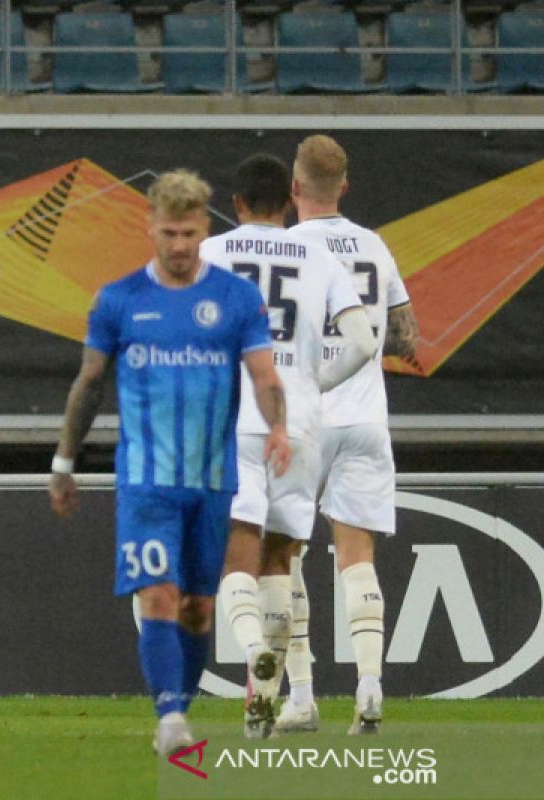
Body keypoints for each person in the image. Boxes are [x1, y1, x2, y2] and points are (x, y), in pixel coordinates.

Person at [48, 169, 288, 757]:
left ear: (206, 228)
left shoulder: (235, 298)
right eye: (169, 233)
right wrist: (63, 460)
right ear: (149, 228)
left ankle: (179, 704)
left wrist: (279, 426)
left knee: (197, 607)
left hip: (212, 480)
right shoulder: (120, 299)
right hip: (145, 481)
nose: (179, 246)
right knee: (157, 594)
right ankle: (171, 718)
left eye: (189, 234)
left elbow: (262, 375)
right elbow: (90, 382)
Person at [198, 154, 375, 738]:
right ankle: (264, 702)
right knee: (280, 560)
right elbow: (362, 341)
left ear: (238, 203)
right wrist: (314, 385)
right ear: (287, 199)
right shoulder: (320, 255)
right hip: (299, 423)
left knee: (235, 557)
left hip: (234, 418)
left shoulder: (212, 254)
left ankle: (254, 653)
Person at [279, 135, 420, 736]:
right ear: (345, 186)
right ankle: (368, 690)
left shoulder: (281, 249)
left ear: (294, 189)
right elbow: (405, 336)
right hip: (364, 420)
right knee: (357, 559)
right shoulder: (373, 245)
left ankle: (303, 696)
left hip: (302, 419)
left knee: (283, 557)